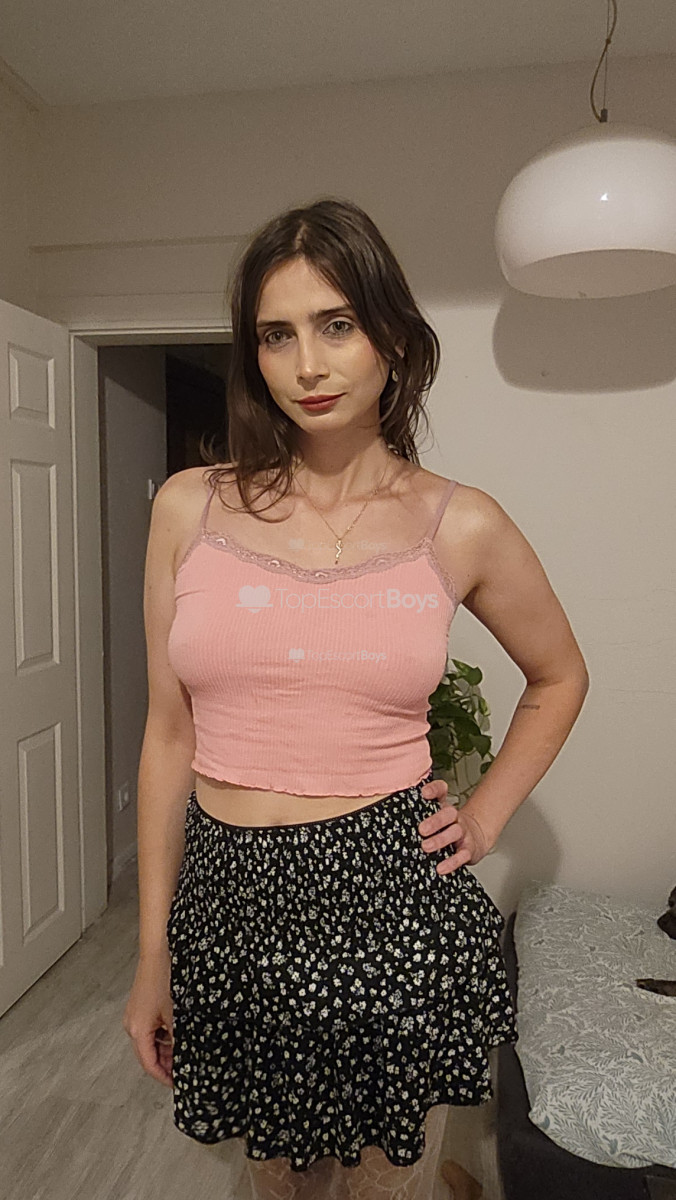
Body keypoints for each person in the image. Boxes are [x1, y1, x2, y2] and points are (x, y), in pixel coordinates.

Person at [123, 197, 589, 1199]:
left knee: (383, 1181)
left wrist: (484, 814)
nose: (308, 363)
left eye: (336, 324)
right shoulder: (188, 507)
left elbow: (560, 676)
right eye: (276, 334)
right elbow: (168, 734)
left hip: (386, 898)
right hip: (229, 903)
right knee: (276, 1176)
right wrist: (152, 948)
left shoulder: (459, 524)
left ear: (393, 338)